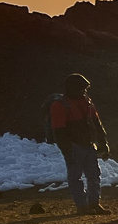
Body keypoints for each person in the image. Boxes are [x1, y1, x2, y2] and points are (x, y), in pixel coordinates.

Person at [45, 73, 111, 214]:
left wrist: (103, 142)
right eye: (82, 88)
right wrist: (67, 151)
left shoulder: (86, 101)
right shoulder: (59, 105)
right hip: (74, 146)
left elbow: (96, 123)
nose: (84, 91)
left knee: (94, 175)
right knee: (76, 177)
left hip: (88, 144)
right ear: (73, 88)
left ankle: (93, 204)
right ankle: (82, 206)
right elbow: (58, 131)